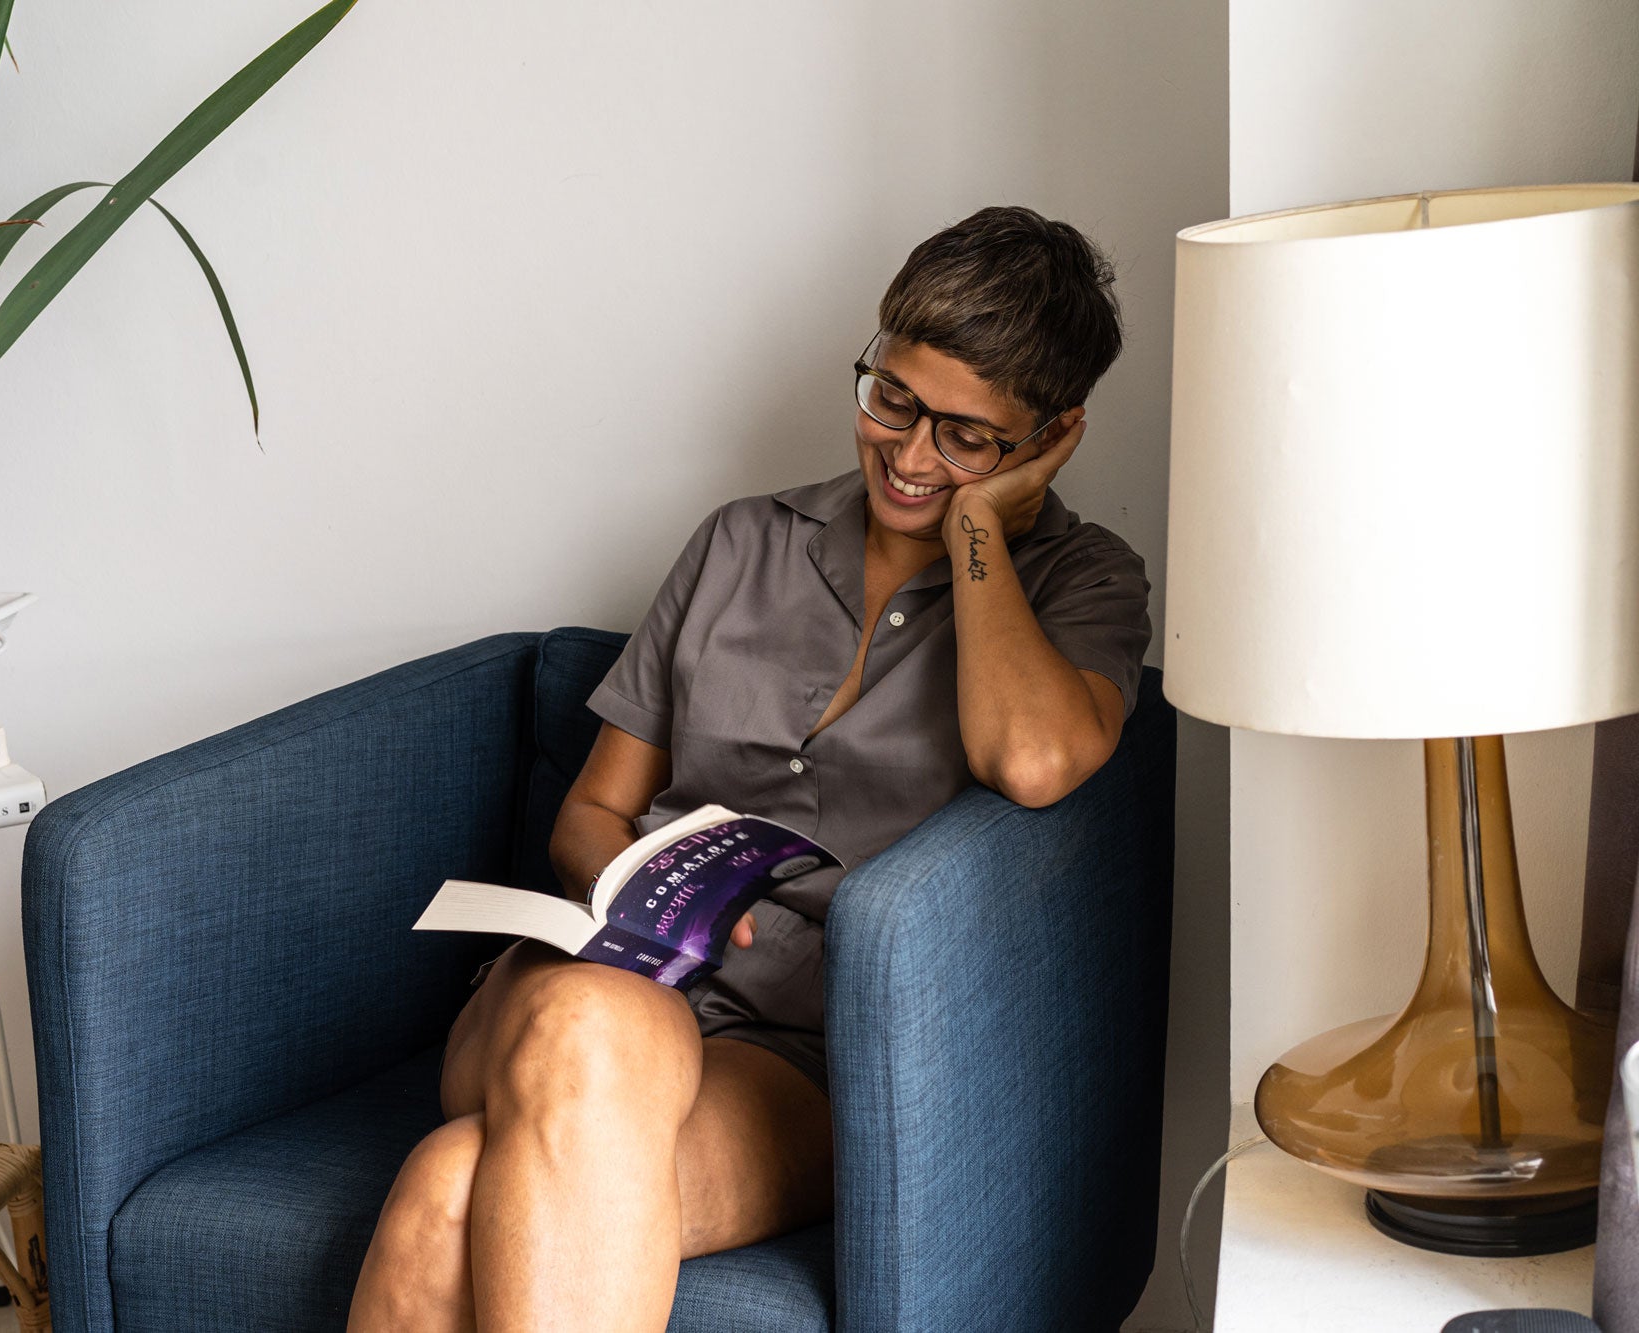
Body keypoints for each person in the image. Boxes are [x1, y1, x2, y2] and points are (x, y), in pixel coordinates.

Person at [346, 205, 1152, 1332]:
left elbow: (1028, 760)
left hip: (797, 1056)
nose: (910, 455)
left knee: (446, 1191)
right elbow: (591, 807)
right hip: (594, 983)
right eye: (893, 401)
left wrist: (978, 533)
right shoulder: (738, 541)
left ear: (1049, 437)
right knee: (591, 1017)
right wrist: (642, 894)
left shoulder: (1082, 581)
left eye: (965, 438)